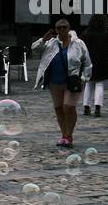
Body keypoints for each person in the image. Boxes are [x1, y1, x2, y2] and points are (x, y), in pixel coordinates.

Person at [30, 18, 92, 148]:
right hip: (55, 81)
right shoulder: (51, 42)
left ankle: (69, 135)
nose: (62, 30)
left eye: (65, 27)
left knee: (68, 107)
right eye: (59, 28)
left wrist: (83, 78)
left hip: (72, 80)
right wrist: (43, 39)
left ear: (69, 28)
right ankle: (64, 135)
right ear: (56, 29)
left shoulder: (78, 43)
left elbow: (87, 62)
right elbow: (34, 49)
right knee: (58, 108)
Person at [79, 14, 108, 118]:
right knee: (99, 84)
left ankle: (86, 106)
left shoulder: (86, 33)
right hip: (102, 61)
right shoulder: (105, 33)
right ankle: (98, 107)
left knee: (89, 83)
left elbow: (80, 44)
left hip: (88, 61)